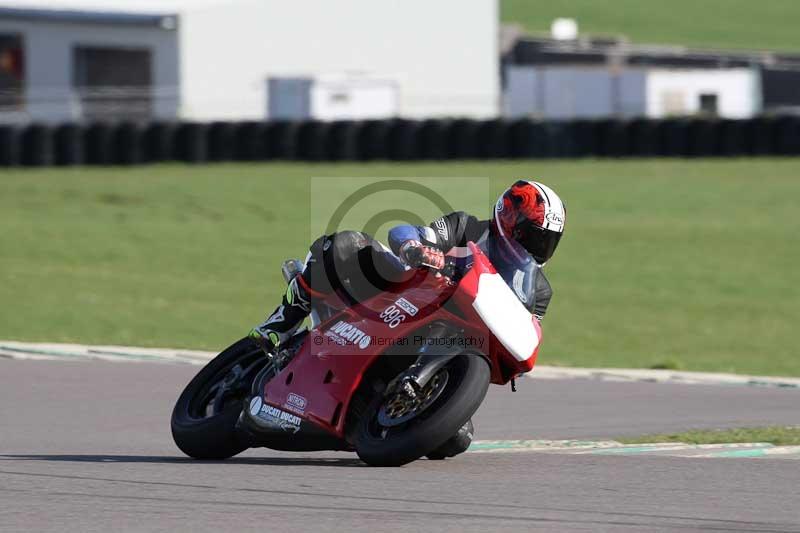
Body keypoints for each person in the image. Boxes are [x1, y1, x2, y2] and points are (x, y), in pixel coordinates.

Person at [248, 180, 566, 353]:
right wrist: (415, 248)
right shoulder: (467, 228)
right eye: (533, 238)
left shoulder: (539, 291)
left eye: (546, 242)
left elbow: (522, 336)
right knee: (345, 244)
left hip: (456, 342)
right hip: (400, 299)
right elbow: (406, 231)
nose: (538, 249)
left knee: (453, 440)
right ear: (509, 221)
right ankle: (281, 324)